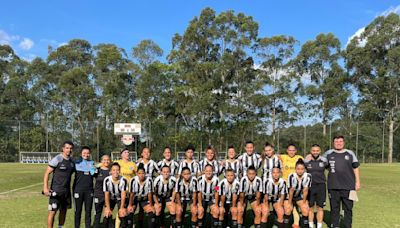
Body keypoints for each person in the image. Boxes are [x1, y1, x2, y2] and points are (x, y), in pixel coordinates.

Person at [323, 136, 360, 228]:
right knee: (334, 208)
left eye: (340, 141)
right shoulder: (328, 153)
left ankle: (348, 225)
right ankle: (335, 225)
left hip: (349, 186)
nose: (338, 143)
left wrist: (358, 182)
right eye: (336, 142)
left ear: (344, 142)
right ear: (333, 143)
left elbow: (355, 167)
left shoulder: (350, 153)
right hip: (333, 186)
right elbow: (320, 163)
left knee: (348, 208)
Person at [43, 140, 75, 228]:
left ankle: (60, 227)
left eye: (71, 148)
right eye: (67, 148)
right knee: (52, 212)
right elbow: (47, 173)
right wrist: (45, 188)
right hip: (56, 191)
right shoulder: (57, 159)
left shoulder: (72, 162)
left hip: (66, 191)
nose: (69, 150)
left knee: (64, 211)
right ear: (63, 149)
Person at [280, 144, 304, 227]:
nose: (291, 152)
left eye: (293, 150)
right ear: (287, 151)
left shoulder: (299, 158)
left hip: (297, 186)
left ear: (296, 151)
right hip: (285, 186)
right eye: (290, 150)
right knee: (288, 206)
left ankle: (296, 223)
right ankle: (286, 222)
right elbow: (274, 155)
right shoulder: (283, 157)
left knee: (296, 205)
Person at [304, 145, 328, 228]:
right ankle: (311, 225)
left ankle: (319, 225)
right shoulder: (306, 161)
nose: (315, 152)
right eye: (313, 150)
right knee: (310, 207)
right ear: (311, 151)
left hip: (321, 186)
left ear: (320, 151)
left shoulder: (324, 161)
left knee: (320, 207)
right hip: (310, 187)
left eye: (317, 150)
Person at [73, 146, 96, 228]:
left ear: (89, 154)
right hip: (78, 191)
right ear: (81, 153)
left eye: (88, 153)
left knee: (88, 211)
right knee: (78, 211)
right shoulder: (76, 163)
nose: (86, 154)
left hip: (89, 191)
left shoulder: (92, 163)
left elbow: (95, 174)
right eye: (84, 153)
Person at [103, 162, 129, 228]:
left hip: (120, 199)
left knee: (123, 214)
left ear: (119, 171)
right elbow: (106, 195)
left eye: (117, 170)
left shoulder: (123, 180)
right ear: (111, 171)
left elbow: (123, 194)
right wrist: (108, 208)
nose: (116, 172)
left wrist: (122, 208)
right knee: (107, 214)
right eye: (114, 170)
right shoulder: (107, 180)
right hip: (111, 198)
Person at [115, 148, 137, 228]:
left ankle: (130, 225)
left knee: (130, 211)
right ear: (121, 154)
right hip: (121, 191)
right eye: (125, 152)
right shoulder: (117, 163)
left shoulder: (133, 164)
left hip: (130, 191)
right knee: (121, 210)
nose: (127, 153)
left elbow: (137, 174)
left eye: (128, 152)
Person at [287, 159, 312, 228]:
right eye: (298, 169)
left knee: (305, 209)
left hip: (299, 196)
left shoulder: (308, 176)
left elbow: (305, 190)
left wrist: (304, 202)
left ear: (304, 169)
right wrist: (289, 202)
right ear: (295, 169)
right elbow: (291, 190)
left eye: (302, 169)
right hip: (289, 196)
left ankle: (304, 226)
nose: (300, 171)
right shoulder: (291, 176)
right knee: (288, 209)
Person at [93, 155, 111, 228]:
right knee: (97, 214)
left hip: (108, 195)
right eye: (104, 160)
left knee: (107, 213)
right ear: (101, 161)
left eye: (107, 160)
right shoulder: (97, 170)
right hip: (98, 195)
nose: (106, 161)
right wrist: (95, 166)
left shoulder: (111, 171)